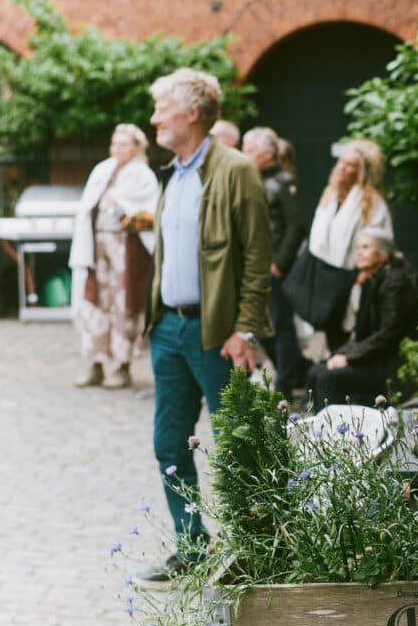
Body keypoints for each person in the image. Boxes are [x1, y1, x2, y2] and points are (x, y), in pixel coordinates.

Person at [140, 69, 272, 582]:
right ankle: (192, 548)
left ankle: (252, 551)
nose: (154, 118)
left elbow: (257, 258)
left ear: (192, 113)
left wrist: (246, 330)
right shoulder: (173, 174)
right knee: (169, 444)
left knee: (236, 445)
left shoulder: (236, 170)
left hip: (218, 333)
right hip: (169, 331)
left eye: (163, 108)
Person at [68, 123, 160, 389]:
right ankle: (95, 363)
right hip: (97, 245)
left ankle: (122, 365)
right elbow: (89, 206)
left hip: (126, 246)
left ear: (137, 147)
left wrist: (118, 202)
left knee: (124, 304)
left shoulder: (142, 175)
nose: (117, 149)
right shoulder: (103, 170)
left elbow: (145, 212)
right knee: (95, 301)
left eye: (124, 144)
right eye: (115, 143)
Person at [307, 228, 418, 410]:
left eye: (366, 247)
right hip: (375, 357)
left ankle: (337, 427)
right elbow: (362, 333)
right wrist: (340, 355)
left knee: (327, 378)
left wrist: (349, 358)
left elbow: (389, 334)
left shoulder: (396, 283)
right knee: (316, 371)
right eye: (358, 248)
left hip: (392, 364)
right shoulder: (372, 280)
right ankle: (321, 426)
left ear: (383, 254)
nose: (359, 253)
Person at [307, 138, 393, 346]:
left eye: (351, 165)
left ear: (361, 171)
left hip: (354, 274)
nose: (343, 168)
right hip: (326, 273)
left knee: (351, 327)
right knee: (329, 326)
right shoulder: (330, 194)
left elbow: (380, 239)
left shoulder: (371, 201)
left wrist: (364, 272)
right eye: (341, 162)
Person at [242, 126, 307, 397]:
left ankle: (286, 384)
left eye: (250, 150)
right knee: (262, 325)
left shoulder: (283, 182)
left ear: (268, 154)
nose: (244, 154)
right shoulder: (252, 179)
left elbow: (296, 226)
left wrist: (279, 263)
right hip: (255, 265)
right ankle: (295, 371)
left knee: (280, 324)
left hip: (274, 267)